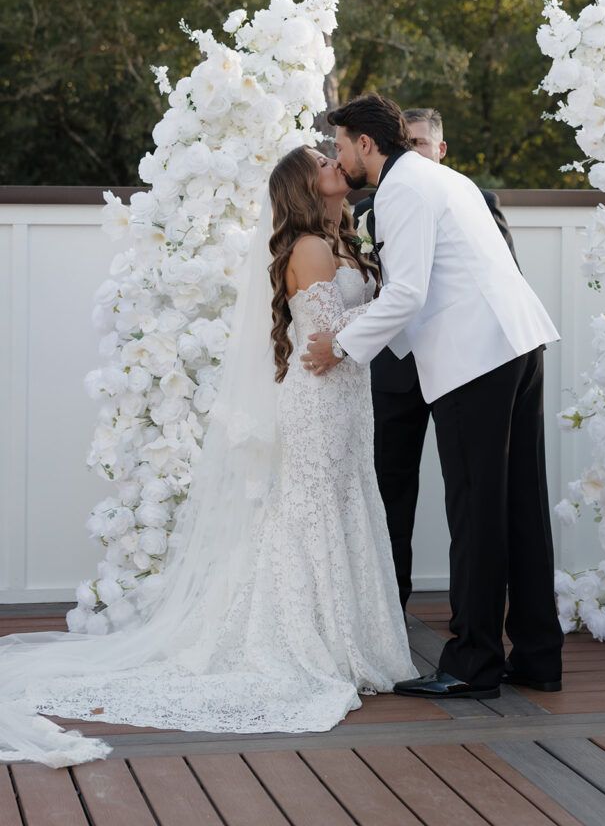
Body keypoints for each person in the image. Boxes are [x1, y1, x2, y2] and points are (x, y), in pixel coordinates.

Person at [0, 145, 415, 768]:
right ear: (307, 186)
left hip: (349, 400)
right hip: (320, 401)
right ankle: (317, 642)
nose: (337, 165)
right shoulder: (309, 248)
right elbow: (328, 341)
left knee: (340, 501)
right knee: (312, 509)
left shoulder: (341, 240)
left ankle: (344, 637)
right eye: (324, 163)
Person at [305, 93, 563, 700]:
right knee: (521, 506)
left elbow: (407, 294)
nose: (336, 158)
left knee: (475, 510)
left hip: (476, 357)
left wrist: (337, 344)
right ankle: (537, 655)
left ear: (365, 144)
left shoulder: (400, 190)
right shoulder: (442, 178)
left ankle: (473, 664)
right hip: (518, 345)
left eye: (339, 146)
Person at [353, 108, 518, 611]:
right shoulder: (365, 205)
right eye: (409, 142)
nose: (415, 151)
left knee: (466, 494)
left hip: (457, 362)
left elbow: (491, 276)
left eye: (422, 143)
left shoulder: (471, 197)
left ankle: (468, 618)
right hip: (394, 369)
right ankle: (388, 609)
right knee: (389, 494)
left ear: (440, 150)